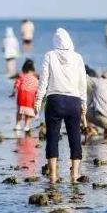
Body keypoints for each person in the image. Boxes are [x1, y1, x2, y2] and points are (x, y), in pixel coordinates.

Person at [34, 28, 88, 183]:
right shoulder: (78, 57)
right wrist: (83, 103)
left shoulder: (49, 55)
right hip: (74, 101)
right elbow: (82, 82)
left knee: (52, 137)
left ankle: (52, 175)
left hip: (54, 101)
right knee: (75, 137)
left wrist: (38, 100)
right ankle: (75, 174)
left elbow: (43, 80)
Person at [11, 59, 38, 132]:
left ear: (23, 68)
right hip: (30, 96)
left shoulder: (21, 76)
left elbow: (17, 85)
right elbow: (37, 89)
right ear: (33, 69)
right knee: (29, 113)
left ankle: (18, 124)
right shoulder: (35, 79)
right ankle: (27, 126)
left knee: (20, 111)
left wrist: (13, 93)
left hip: (22, 95)